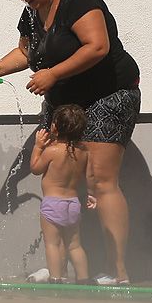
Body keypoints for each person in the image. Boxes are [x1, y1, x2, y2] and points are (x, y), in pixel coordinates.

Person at [0, 0, 140, 285]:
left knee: (99, 180)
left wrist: (52, 74)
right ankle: (60, 267)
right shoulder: (32, 13)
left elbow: (97, 47)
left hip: (108, 94)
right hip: (64, 102)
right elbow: (25, 52)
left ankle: (119, 272)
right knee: (61, 181)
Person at [28, 104, 94, 284]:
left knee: (53, 244)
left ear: (55, 127)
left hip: (52, 204)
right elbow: (90, 175)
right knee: (75, 245)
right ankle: (84, 280)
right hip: (73, 204)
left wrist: (38, 146)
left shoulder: (52, 151)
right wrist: (91, 194)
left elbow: (35, 168)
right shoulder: (83, 152)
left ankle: (56, 279)